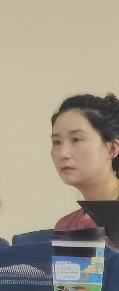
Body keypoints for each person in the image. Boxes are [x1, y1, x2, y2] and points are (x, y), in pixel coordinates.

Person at [51, 93, 119, 235]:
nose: (63, 153)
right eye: (56, 142)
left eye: (76, 139)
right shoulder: (65, 226)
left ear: (112, 149)